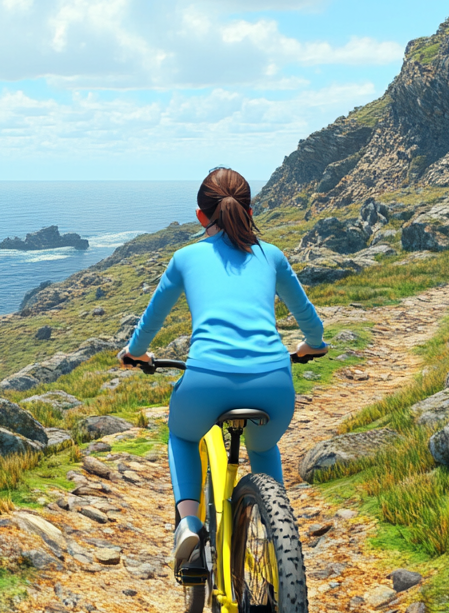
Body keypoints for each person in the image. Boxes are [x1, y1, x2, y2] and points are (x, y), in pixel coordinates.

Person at [119, 167, 328, 575]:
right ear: (250, 210)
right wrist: (311, 348)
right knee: (263, 448)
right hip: (273, 387)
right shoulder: (272, 255)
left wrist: (136, 354)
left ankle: (189, 526)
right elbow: (311, 323)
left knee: (181, 436)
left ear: (201, 216)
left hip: (204, 385)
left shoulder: (185, 257)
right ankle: (276, 540)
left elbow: (150, 323)